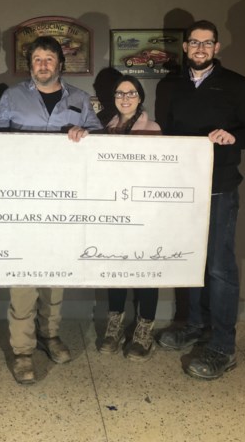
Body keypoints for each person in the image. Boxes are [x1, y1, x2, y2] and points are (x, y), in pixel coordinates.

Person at [158, 21, 245, 380]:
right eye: (194, 42)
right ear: (185, 47)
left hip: (220, 187)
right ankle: (194, 325)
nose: (201, 49)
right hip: (182, 190)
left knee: (220, 267)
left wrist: (232, 136)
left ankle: (223, 345)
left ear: (217, 48)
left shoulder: (234, 84)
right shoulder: (170, 86)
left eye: (208, 43)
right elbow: (167, 132)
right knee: (190, 261)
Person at [0, 35, 103, 384]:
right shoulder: (12, 96)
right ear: (30, 64)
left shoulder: (81, 99)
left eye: (49, 59)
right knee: (24, 278)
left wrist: (85, 134)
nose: (43, 65)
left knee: (56, 274)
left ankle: (49, 334)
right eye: (37, 59)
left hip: (64, 200)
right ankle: (23, 351)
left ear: (59, 64)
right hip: (22, 200)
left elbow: (100, 142)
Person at [97, 76, 162, 361]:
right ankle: (115, 327)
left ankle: (144, 330)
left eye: (131, 92)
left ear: (140, 96)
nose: (125, 98)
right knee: (116, 267)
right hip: (113, 211)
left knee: (146, 270)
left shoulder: (153, 129)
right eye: (120, 93)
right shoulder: (105, 128)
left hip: (144, 212)